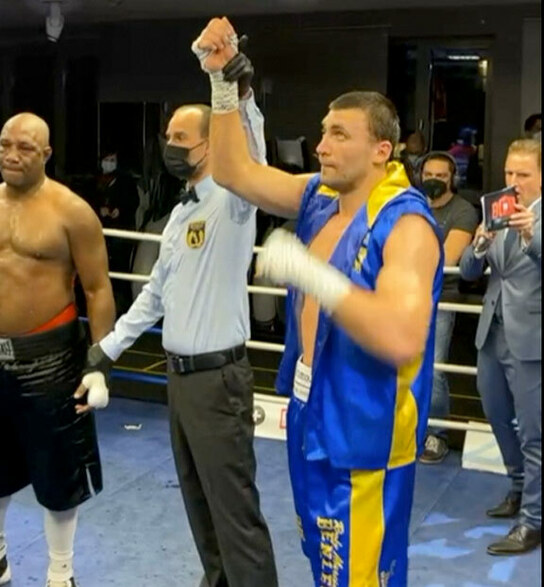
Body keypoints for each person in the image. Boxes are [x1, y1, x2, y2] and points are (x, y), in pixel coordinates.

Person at [193, 17, 444, 586]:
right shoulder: (320, 197)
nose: (322, 145)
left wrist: (312, 274)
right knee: (326, 567)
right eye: (323, 132)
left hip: (367, 433)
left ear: (382, 150)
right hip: (312, 410)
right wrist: (222, 84)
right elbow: (233, 171)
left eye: (339, 135)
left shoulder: (406, 225)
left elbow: (401, 336)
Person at [93, 54, 279, 587]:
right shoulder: (181, 212)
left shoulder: (232, 201)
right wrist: (108, 348)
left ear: (209, 144)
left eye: (181, 137)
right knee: (199, 503)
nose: (170, 146)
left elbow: (254, 158)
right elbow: (156, 293)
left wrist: (239, 95)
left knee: (234, 511)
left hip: (218, 380)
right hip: (180, 379)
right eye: (168, 136)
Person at [0, 112, 116, 587]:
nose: (12, 155)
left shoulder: (72, 212)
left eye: (25, 148)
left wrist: (99, 365)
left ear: (46, 154)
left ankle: (61, 576)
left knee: (58, 475)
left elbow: (97, 289)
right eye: (5, 144)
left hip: (52, 361)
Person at [459, 138, 541, 555]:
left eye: (523, 174)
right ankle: (518, 486)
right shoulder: (497, 210)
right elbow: (467, 271)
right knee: (495, 412)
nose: (513, 181)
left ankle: (534, 520)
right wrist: (479, 242)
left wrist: (532, 236)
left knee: (534, 432)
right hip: (492, 331)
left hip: (533, 338)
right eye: (509, 172)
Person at [417, 151, 479, 463]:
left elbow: (447, 259)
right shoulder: (411, 204)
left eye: (441, 176)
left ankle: (436, 435)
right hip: (401, 296)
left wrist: (404, 261)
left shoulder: (463, 211)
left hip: (439, 297)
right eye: (429, 174)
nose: (434, 180)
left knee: (435, 368)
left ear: (452, 178)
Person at [95, 149, 141, 314]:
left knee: (120, 271)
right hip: (99, 232)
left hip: (121, 232)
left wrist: (120, 210)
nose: (109, 163)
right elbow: (87, 201)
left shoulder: (126, 182)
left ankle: (122, 307)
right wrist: (99, 210)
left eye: (112, 160)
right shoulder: (95, 181)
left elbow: (133, 201)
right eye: (106, 159)